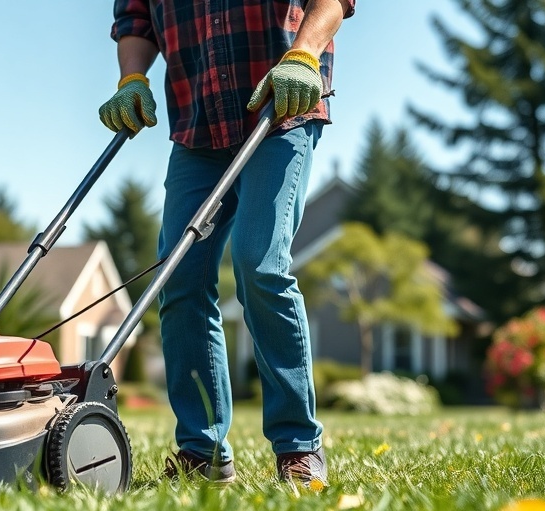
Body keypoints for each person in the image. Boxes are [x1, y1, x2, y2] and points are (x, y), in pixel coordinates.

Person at [99, 0, 355, 484]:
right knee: (179, 280)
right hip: (198, 127)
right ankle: (203, 452)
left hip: (282, 110)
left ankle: (299, 446)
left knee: (260, 265)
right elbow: (135, 18)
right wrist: (132, 78)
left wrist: (303, 55)